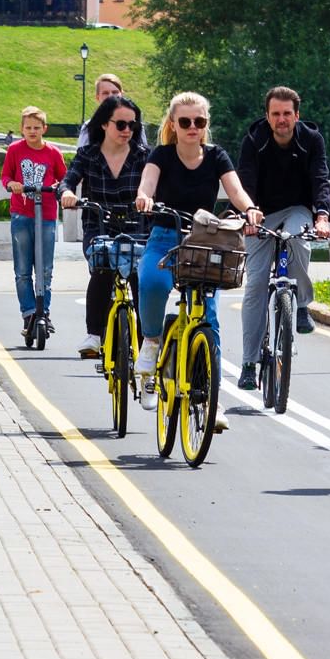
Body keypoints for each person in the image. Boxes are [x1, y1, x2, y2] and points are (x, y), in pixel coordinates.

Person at [133, 92, 263, 425]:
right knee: (151, 281)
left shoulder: (217, 156)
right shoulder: (160, 155)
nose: (193, 127)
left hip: (204, 243)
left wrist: (249, 209)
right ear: (173, 125)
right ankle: (151, 341)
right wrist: (145, 198)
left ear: (206, 126)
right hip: (164, 237)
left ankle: (211, 399)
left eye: (199, 122)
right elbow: (147, 184)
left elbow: (235, 191)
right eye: (185, 122)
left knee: (211, 319)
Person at [233, 87, 330, 390]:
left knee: (296, 238)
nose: (281, 120)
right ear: (267, 116)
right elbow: (246, 180)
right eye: (275, 114)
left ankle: (302, 304)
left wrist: (321, 216)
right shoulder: (254, 140)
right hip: (260, 212)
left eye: (287, 114)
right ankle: (249, 363)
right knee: (254, 285)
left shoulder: (311, 140)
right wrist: (249, 214)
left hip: (299, 208)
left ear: (297, 115)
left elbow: (321, 178)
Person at [59, 94, 150, 359]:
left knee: (140, 276)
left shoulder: (144, 156)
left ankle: (146, 343)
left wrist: (150, 200)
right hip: (98, 226)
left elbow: (157, 185)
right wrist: (67, 194)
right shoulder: (88, 155)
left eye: (132, 125)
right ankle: (94, 335)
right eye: (120, 125)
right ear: (104, 125)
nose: (127, 131)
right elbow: (68, 180)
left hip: (137, 228)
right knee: (102, 269)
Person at [3, 105, 68, 333]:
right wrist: (12, 185)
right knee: (23, 269)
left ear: (44, 129)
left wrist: (59, 187)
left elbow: (64, 178)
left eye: (36, 127)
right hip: (21, 213)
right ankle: (29, 312)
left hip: (47, 214)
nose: (32, 131)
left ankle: (44, 311)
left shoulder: (52, 153)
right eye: (28, 127)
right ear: (22, 129)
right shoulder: (14, 150)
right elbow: (6, 176)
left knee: (45, 269)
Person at [75, 74, 148, 148]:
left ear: (122, 94)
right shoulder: (89, 127)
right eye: (105, 93)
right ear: (97, 97)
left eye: (115, 92)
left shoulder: (135, 123)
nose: (111, 96)